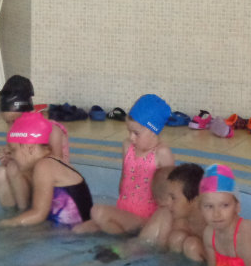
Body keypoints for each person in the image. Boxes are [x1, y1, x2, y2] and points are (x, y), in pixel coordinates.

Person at [74, 94, 175, 234]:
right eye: (129, 131)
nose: (131, 137)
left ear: (153, 131)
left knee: (97, 211)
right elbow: (124, 179)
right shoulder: (128, 146)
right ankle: (120, 240)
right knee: (79, 229)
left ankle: (122, 242)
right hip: (123, 213)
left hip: (145, 220)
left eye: (136, 133)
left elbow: (171, 195)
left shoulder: (162, 153)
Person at [0, 112, 92, 227]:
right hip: (65, 228)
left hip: (72, 232)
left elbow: (38, 214)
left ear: (30, 148)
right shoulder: (49, 162)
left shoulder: (44, 166)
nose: (12, 156)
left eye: (13, 150)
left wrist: (7, 223)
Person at [0, 75, 69, 209]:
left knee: (13, 168)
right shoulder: (15, 131)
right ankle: (12, 213)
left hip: (53, 184)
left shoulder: (51, 130)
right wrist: (8, 157)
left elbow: (56, 168)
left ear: (30, 113)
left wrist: (19, 160)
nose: (11, 127)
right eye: (7, 123)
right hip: (27, 181)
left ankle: (26, 213)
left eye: (14, 121)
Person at [189, 164, 251, 266]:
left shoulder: (245, 234)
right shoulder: (209, 234)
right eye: (209, 206)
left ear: (237, 206)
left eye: (225, 205)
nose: (216, 214)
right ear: (200, 209)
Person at [137, 163, 207, 262]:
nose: (168, 203)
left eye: (173, 198)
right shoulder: (171, 215)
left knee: (192, 245)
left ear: (195, 200)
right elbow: (141, 244)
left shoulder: (214, 220)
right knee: (176, 238)